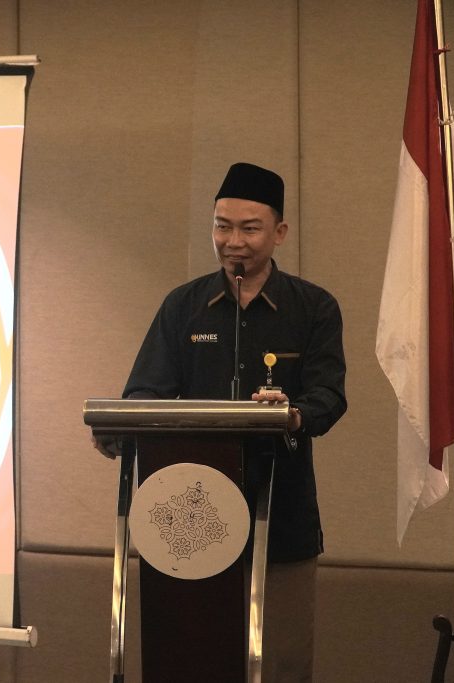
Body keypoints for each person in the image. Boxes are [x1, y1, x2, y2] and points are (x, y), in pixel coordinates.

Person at [99, 162, 347, 682]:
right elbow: (143, 394)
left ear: (279, 232)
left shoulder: (313, 307)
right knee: (191, 659)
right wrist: (123, 428)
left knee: (280, 665)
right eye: (222, 226)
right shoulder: (183, 306)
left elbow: (328, 396)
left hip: (280, 518)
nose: (233, 242)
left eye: (249, 228)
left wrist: (292, 415)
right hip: (190, 522)